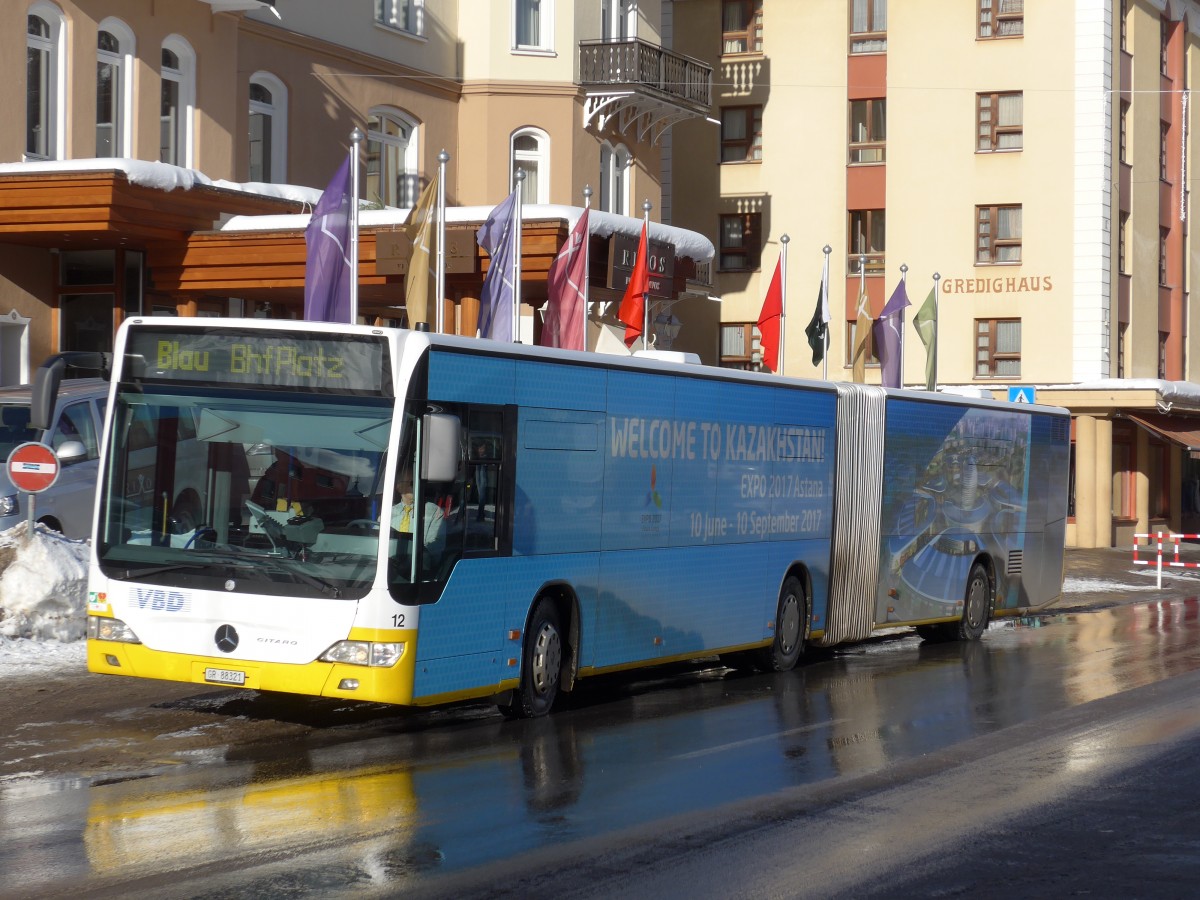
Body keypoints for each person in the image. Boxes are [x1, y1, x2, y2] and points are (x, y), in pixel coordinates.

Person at [391, 469, 445, 558]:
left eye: (418, 482)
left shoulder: (434, 512)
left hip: (417, 563)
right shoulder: (388, 513)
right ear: (399, 487)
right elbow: (375, 540)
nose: (416, 485)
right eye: (412, 483)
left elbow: (433, 549)